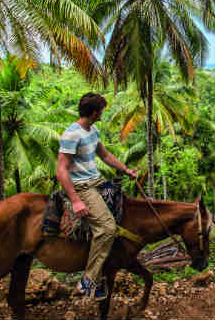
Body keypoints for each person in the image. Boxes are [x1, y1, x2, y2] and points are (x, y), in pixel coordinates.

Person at [56, 92, 138, 300]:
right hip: (83, 187)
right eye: (101, 110)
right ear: (94, 112)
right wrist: (75, 201)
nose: (103, 113)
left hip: (97, 181)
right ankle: (88, 280)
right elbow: (61, 170)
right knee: (108, 228)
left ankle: (105, 272)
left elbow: (105, 155)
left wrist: (125, 169)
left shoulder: (93, 129)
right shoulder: (72, 134)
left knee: (124, 216)